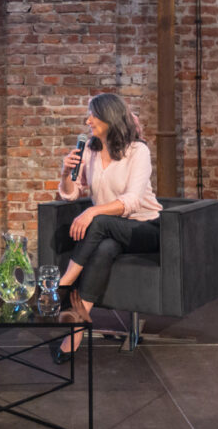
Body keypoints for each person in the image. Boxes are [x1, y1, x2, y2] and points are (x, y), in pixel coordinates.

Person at [51, 93, 162, 364]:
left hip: (144, 228)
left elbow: (133, 201)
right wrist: (66, 174)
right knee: (105, 248)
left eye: (93, 115)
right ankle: (76, 330)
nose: (88, 120)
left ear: (109, 118)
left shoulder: (138, 151)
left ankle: (62, 285)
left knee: (98, 221)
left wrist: (93, 211)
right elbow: (71, 193)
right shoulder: (90, 149)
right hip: (109, 232)